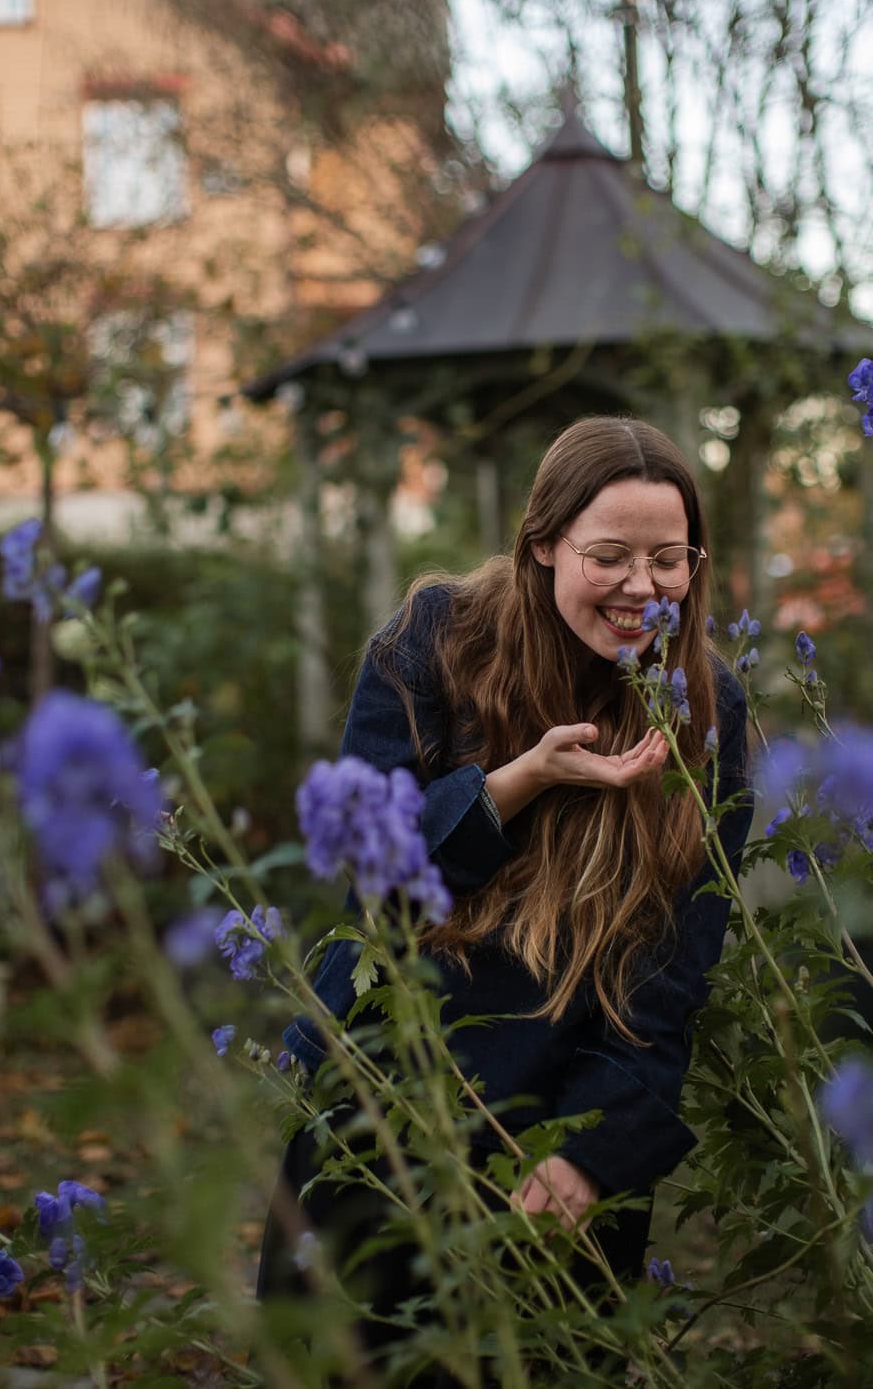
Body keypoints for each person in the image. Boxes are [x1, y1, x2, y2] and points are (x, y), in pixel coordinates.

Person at [257, 415, 753, 1382]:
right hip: (383, 1100)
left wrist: (592, 1152)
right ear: (541, 542)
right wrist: (516, 782)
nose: (642, 588)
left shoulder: (706, 705)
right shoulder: (434, 643)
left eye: (670, 559)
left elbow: (672, 972)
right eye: (609, 556)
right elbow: (375, 883)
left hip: (557, 1115)